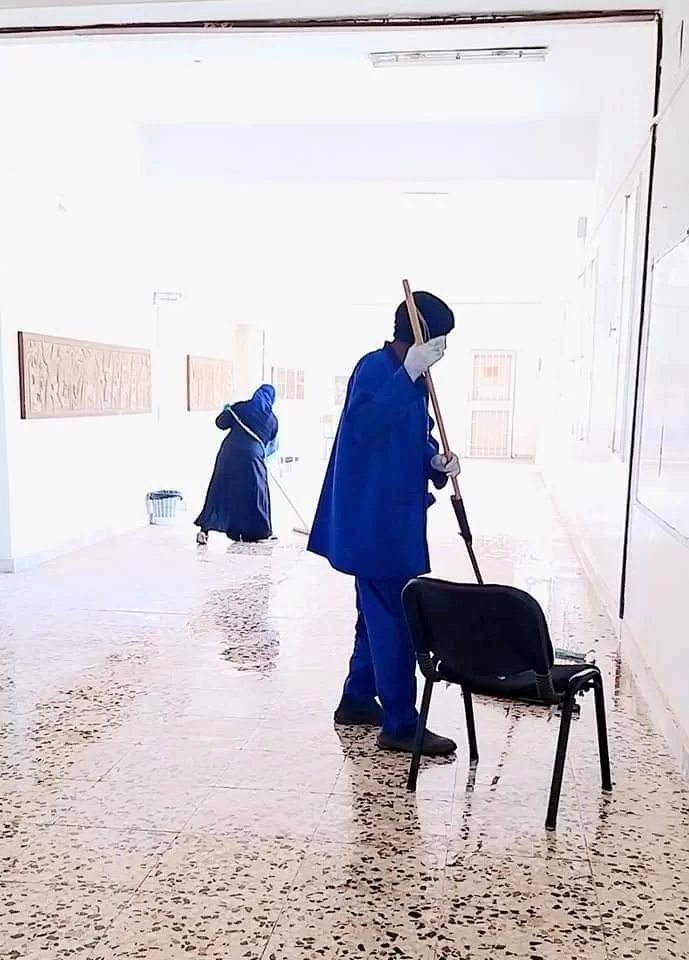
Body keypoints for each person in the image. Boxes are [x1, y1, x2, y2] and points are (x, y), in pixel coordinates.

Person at [308, 291, 461, 757]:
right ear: (420, 335)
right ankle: (400, 724)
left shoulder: (413, 380)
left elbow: (413, 437)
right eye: (439, 340)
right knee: (395, 621)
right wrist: (409, 373)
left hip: (393, 520)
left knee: (373, 616)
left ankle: (357, 699)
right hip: (376, 525)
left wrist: (435, 462)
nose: (442, 350)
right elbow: (364, 424)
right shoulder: (376, 369)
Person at [195, 383, 279, 545]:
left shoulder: (240, 408)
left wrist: (226, 411)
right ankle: (260, 532)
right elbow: (270, 446)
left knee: (220, 490)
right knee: (257, 493)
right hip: (253, 457)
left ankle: (204, 530)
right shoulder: (272, 420)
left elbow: (220, 423)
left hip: (229, 455)